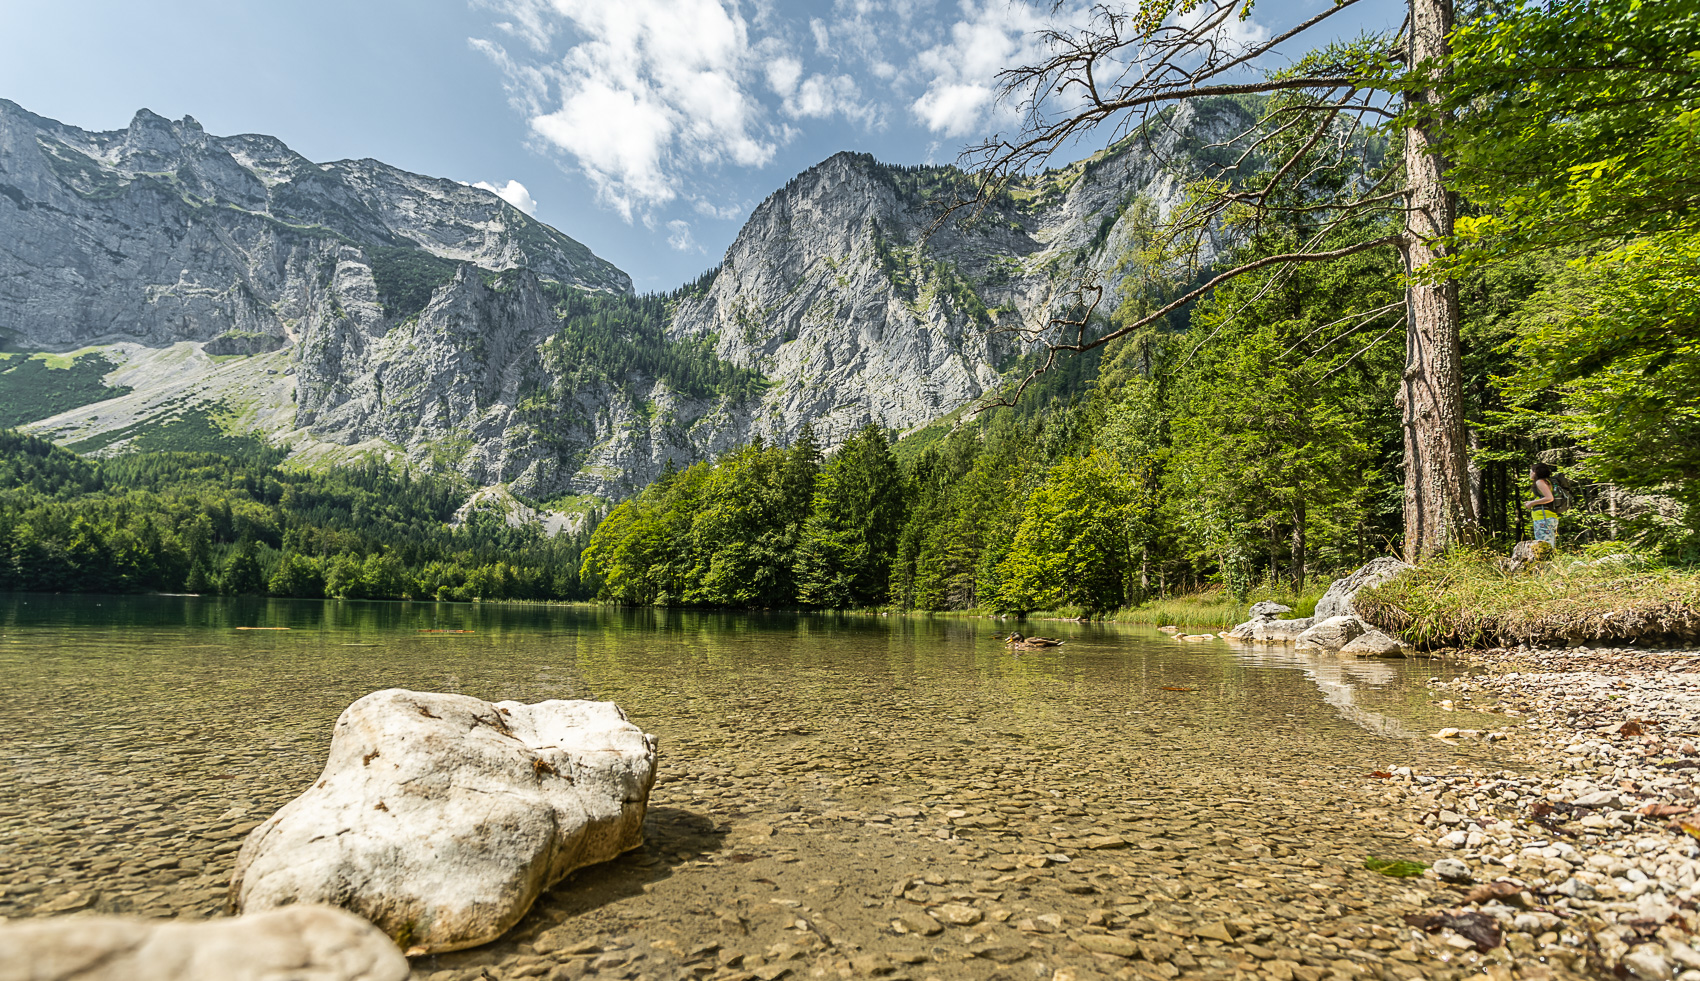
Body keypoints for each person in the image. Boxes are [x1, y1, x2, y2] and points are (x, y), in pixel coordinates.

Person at [1525, 462, 1560, 547]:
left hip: (1543, 518)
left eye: (1531, 471)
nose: (1530, 473)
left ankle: (1547, 560)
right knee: (1549, 543)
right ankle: (1551, 559)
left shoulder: (1540, 482)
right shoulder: (1547, 482)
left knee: (1544, 545)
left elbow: (1549, 498)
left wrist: (1531, 503)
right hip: (1549, 517)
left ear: (1535, 472)